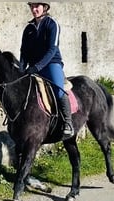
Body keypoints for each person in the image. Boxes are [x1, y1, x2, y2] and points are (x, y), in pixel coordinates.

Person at [20, 2, 74, 139]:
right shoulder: (28, 29)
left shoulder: (52, 24)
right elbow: (24, 51)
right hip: (33, 67)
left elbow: (52, 49)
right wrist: (22, 69)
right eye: (32, 6)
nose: (34, 9)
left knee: (58, 89)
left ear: (45, 7)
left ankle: (68, 123)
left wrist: (38, 67)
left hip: (51, 64)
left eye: (37, 6)